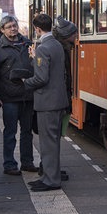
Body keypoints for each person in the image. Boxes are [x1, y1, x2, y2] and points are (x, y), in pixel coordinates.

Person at [23, 14, 68, 192]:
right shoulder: (56, 44)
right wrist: (35, 60)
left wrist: (25, 83)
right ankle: (51, 175)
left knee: (48, 143)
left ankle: (50, 180)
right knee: (53, 142)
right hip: (58, 100)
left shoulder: (43, 47)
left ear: (38, 29)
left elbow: (41, 78)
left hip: (47, 101)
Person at [0, 15, 38, 176]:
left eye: (15, 25)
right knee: (10, 132)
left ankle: (27, 162)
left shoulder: (27, 43)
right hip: (9, 96)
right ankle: (9, 164)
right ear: (2, 30)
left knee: (27, 132)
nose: (13, 29)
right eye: (9, 26)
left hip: (28, 95)